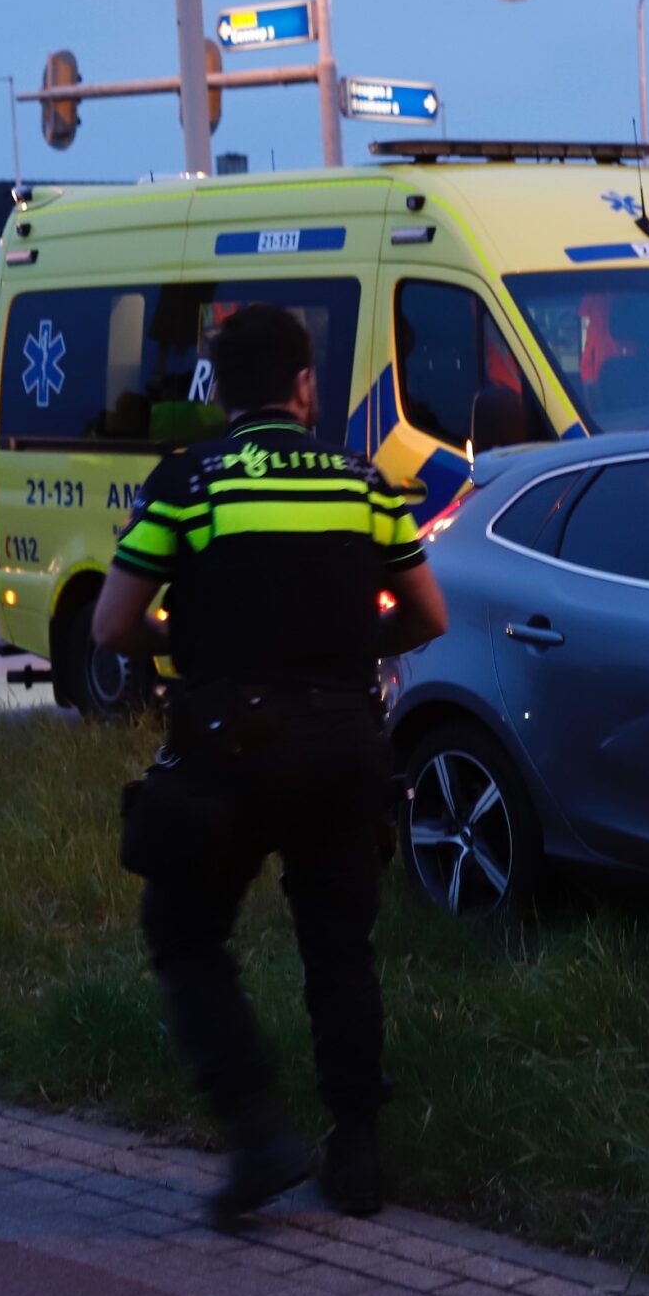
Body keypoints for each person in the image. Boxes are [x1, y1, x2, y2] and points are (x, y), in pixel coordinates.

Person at [94, 304, 448, 1227]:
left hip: (232, 743)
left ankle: (258, 1132)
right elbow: (426, 616)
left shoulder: (188, 482)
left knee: (185, 928)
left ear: (218, 391)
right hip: (346, 743)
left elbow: (113, 625)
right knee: (340, 945)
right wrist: (346, 644)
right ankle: (358, 1157)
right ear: (302, 388)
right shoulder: (361, 480)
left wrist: (190, 638)